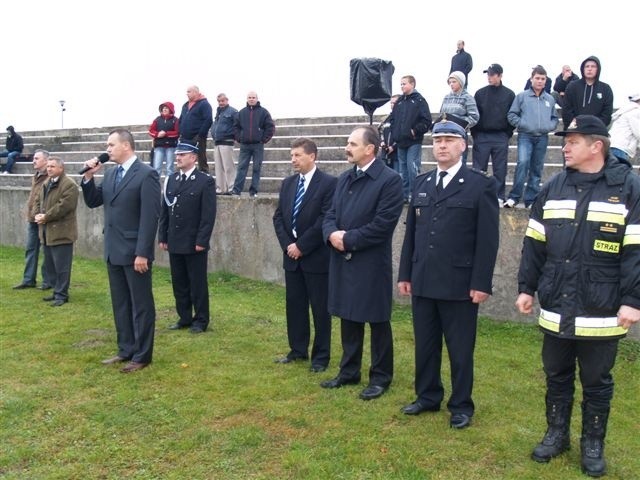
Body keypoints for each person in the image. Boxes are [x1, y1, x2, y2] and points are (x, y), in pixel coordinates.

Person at [515, 115, 640, 477]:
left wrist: (633, 300)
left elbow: (636, 251)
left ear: (596, 146)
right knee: (556, 374)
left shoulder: (629, 188)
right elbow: (534, 243)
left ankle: (592, 443)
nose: (564, 147)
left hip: (601, 309)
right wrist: (526, 288)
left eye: (572, 141)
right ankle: (556, 434)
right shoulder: (553, 187)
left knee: (597, 381)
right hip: (556, 305)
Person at [397, 119, 499, 429]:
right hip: (425, 280)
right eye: (437, 139)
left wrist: (481, 282)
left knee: (460, 349)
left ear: (463, 146)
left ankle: (461, 405)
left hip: (459, 285)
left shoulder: (480, 185)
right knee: (425, 344)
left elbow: (488, 240)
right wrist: (405, 273)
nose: (441, 144)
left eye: (448, 140)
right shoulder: (423, 183)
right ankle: (427, 396)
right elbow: (411, 234)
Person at [320, 126, 404, 401]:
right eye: (347, 143)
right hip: (343, 259)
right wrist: (332, 234)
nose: (347, 148)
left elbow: (382, 225)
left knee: (377, 321)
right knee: (348, 316)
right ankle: (349, 371)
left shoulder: (390, 180)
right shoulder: (344, 179)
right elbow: (330, 213)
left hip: (370, 263)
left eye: (352, 144)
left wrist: (349, 239)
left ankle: (380, 377)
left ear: (370, 149)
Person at [81, 129, 161, 373]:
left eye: (111, 145)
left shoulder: (146, 175)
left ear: (126, 145)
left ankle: (142, 355)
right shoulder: (112, 172)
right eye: (107, 145)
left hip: (135, 252)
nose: (108, 149)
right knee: (121, 303)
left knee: (141, 305)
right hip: (113, 250)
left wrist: (143, 253)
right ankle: (126, 348)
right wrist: (88, 178)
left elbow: (150, 218)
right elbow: (95, 201)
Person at [273, 138, 337, 372]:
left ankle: (320, 357)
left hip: (316, 258)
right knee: (295, 305)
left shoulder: (329, 183)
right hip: (292, 258)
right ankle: (297, 350)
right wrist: (289, 245)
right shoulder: (288, 183)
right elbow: (278, 217)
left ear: (312, 156)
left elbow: (326, 219)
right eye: (292, 156)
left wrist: (302, 245)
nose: (293, 160)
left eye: (298, 155)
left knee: (320, 309)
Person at [159, 140, 216, 334]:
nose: (178, 158)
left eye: (182, 155)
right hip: (175, 239)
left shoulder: (204, 181)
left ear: (193, 158)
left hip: (193, 242)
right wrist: (163, 236)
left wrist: (202, 240)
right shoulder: (172, 180)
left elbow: (208, 215)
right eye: (177, 155)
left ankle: (200, 320)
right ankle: (184, 317)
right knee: (179, 281)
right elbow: (165, 211)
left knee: (197, 283)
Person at [504, 66, 559, 209]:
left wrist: (549, 126)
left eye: (543, 79)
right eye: (537, 78)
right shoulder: (522, 96)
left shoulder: (550, 99)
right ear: (531, 79)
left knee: (537, 168)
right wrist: (522, 124)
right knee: (522, 163)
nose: (540, 81)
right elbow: (511, 115)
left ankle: (531, 199)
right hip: (525, 136)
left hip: (542, 137)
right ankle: (514, 197)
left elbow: (554, 118)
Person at [33, 157, 79, 306]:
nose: (49, 169)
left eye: (52, 166)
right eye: (48, 166)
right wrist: (37, 214)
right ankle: (56, 291)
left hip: (62, 232)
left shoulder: (69, 185)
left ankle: (62, 295)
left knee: (62, 267)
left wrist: (46, 217)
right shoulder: (47, 183)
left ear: (61, 168)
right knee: (51, 264)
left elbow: (64, 207)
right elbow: (38, 201)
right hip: (47, 232)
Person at [471, 64, 516, 207]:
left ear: (500, 75)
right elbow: (475, 115)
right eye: (488, 74)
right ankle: (477, 195)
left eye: (492, 74)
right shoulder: (480, 93)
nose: (489, 77)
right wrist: (476, 134)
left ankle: (498, 196)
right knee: (479, 169)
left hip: (500, 136)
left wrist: (506, 133)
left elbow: (512, 115)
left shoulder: (509, 94)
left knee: (500, 169)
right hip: (482, 136)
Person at [12, 150, 54, 291]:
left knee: (46, 251)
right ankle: (28, 279)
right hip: (32, 219)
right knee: (31, 249)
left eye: (37, 158)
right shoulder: (36, 176)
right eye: (34, 158)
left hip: (43, 219)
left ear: (46, 160)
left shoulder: (50, 177)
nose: (33, 161)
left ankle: (47, 281)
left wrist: (42, 215)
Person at [390, 75, 432, 203]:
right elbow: (393, 119)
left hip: (414, 141)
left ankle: (415, 195)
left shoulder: (419, 100)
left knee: (412, 168)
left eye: (404, 84)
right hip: (401, 141)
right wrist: (395, 132)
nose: (402, 86)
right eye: (401, 84)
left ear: (412, 84)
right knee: (403, 170)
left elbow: (426, 120)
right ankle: (404, 196)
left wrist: (415, 131)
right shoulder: (399, 102)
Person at [231, 91, 276, 197]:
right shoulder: (241, 113)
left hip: (258, 145)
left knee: (256, 168)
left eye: (253, 97)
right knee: (242, 167)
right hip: (245, 145)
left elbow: (270, 127)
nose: (251, 99)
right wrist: (239, 138)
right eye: (249, 97)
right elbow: (235, 127)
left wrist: (263, 139)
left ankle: (253, 191)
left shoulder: (264, 112)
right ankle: (237, 190)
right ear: (247, 99)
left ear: (257, 99)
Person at [439, 71, 479, 164]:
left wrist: (458, 123)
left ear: (460, 82)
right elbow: (442, 113)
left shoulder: (468, 98)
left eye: (454, 82)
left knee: (459, 163)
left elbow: (474, 117)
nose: (451, 84)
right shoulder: (446, 97)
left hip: (459, 135)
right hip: (445, 133)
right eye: (450, 82)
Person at [562, 56, 614, 128]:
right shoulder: (572, 86)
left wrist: (594, 125)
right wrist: (575, 124)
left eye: (593, 66)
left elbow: (607, 114)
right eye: (587, 66)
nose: (589, 69)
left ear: (598, 69)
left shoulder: (606, 89)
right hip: (575, 130)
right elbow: (566, 109)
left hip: (596, 131)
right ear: (583, 69)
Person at [179, 85, 213, 172]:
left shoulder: (204, 104)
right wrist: (180, 131)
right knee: (184, 159)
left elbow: (208, 120)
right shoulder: (185, 105)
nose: (187, 94)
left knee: (201, 159)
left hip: (197, 138)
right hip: (185, 138)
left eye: (189, 92)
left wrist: (200, 134)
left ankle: (204, 177)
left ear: (195, 92)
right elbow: (181, 119)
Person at [210, 93, 238, 194]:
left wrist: (234, 137)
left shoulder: (233, 112)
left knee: (228, 166)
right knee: (218, 167)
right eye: (219, 101)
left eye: (223, 101)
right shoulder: (218, 113)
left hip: (227, 142)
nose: (221, 103)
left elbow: (237, 126)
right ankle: (220, 189)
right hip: (217, 142)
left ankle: (231, 188)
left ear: (227, 100)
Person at [148, 101, 179, 176]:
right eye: (163, 108)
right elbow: (150, 131)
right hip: (159, 147)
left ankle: (169, 186)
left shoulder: (175, 120)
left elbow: (177, 133)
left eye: (166, 108)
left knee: (170, 168)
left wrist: (166, 134)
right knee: (157, 168)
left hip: (170, 147)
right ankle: (155, 186)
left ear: (170, 109)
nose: (164, 109)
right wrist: (157, 134)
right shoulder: (157, 120)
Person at [608, 93, 640, 165]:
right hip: (621, 147)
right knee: (618, 172)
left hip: (613, 145)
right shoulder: (635, 112)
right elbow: (638, 132)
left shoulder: (626, 111)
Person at [378, 94, 400, 172]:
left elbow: (402, 135)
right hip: (385, 154)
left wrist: (393, 147)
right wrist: (382, 142)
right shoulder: (386, 119)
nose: (392, 105)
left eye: (395, 103)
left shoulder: (402, 119)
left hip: (397, 154)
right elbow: (380, 131)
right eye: (391, 103)